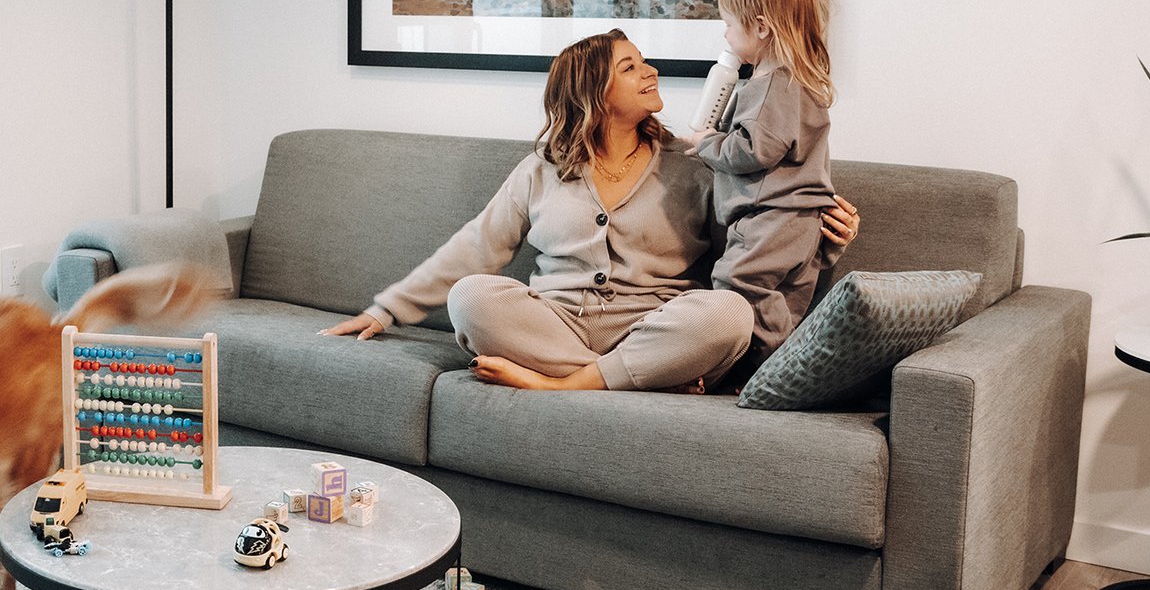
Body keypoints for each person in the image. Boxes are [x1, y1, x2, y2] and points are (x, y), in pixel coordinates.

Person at [319, 29, 858, 392]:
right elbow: (477, 246)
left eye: (643, 61)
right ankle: (641, 381)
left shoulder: (695, 164)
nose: (650, 72)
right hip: (556, 323)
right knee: (473, 296)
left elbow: (750, 250)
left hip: (652, 323)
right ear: (593, 91)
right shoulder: (542, 168)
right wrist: (384, 310)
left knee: (728, 313)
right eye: (631, 67)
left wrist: (826, 240)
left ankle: (561, 387)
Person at [682, 0, 837, 365]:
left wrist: (708, 142)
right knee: (783, 302)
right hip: (803, 222)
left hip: (770, 217)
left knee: (735, 283)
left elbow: (753, 150)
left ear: (762, 27)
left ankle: (746, 365)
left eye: (730, 24)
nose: (726, 34)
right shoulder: (799, 83)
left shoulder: (769, 86)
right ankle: (776, 366)